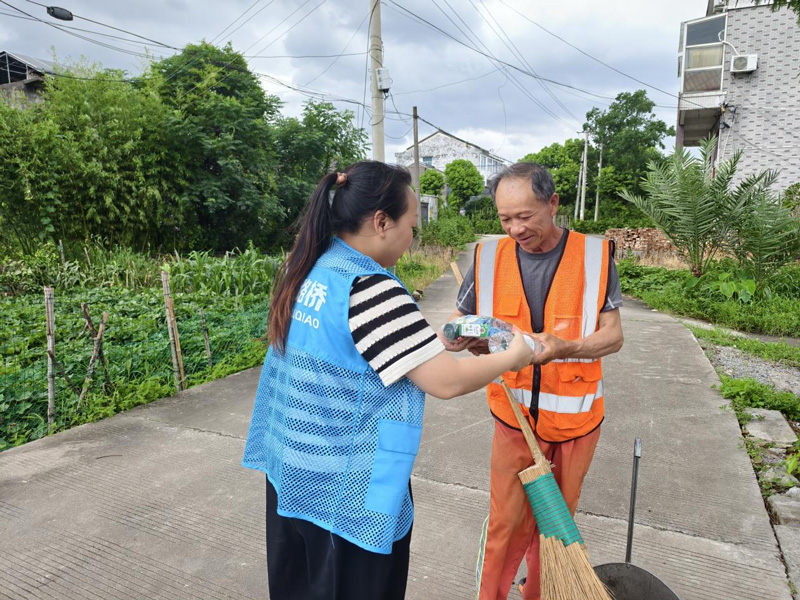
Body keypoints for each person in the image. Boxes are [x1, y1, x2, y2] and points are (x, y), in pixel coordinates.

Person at [241, 161, 538, 600]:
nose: (411, 239)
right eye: (411, 226)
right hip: (347, 493)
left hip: (294, 475)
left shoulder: (310, 268)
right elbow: (447, 382)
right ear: (382, 222)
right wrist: (518, 352)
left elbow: (353, 349)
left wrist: (432, 344)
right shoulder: (372, 287)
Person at [444, 162, 624, 600]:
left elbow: (612, 337)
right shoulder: (489, 257)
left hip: (576, 424)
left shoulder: (596, 257)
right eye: (506, 219)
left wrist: (564, 347)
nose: (515, 229)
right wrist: (462, 337)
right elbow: (456, 323)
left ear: (553, 203)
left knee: (555, 528)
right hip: (512, 418)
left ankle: (540, 594)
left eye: (525, 216)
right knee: (504, 525)